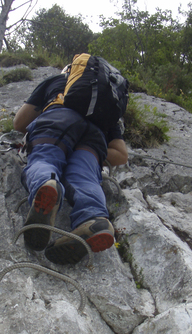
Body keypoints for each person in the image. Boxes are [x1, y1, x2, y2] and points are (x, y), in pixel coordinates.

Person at [13, 61, 128, 265]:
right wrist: (90, 150)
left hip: (58, 119)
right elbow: (121, 155)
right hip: (95, 136)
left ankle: (46, 184)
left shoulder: (57, 81)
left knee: (45, 159)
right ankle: (95, 219)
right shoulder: (108, 104)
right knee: (84, 178)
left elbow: (20, 122)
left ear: (72, 72)